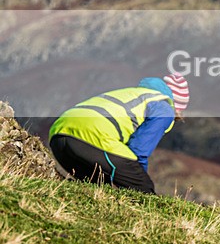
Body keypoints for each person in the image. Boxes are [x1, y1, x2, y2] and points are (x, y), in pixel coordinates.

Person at [48, 73, 189, 194]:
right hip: (92, 137)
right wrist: (138, 177)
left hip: (58, 136)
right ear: (176, 106)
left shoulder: (133, 94)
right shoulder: (164, 108)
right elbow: (139, 150)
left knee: (99, 190)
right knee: (144, 192)